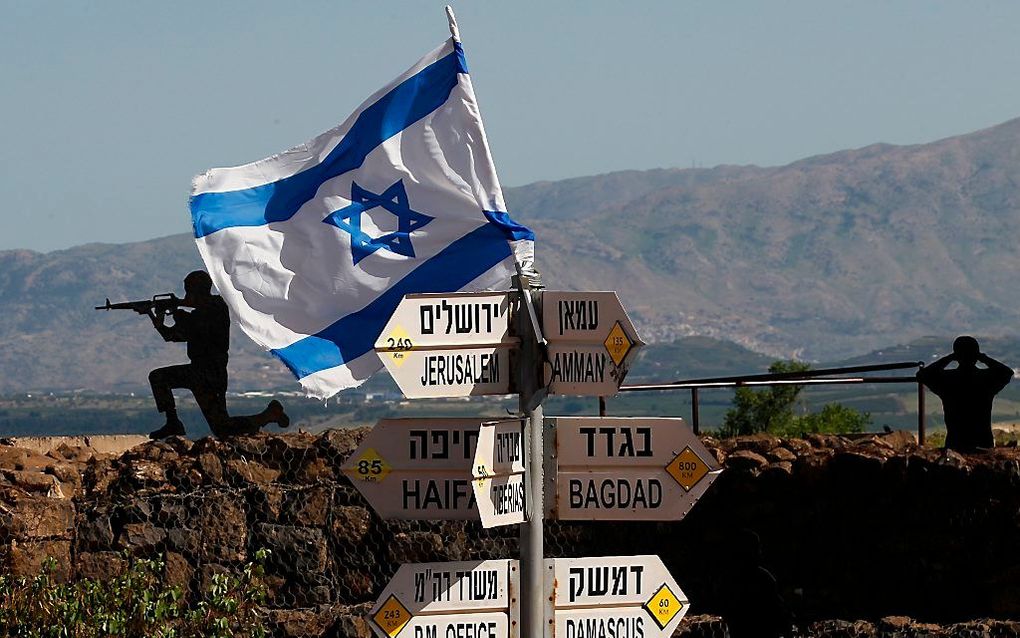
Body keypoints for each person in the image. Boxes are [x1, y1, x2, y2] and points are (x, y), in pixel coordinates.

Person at [146, 270, 289, 439]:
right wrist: (156, 320)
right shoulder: (203, 311)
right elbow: (174, 336)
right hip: (200, 372)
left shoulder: (215, 307)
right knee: (222, 427)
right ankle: (172, 422)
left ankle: (173, 422)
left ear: (196, 292)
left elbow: (195, 325)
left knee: (159, 377)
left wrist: (176, 311)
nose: (187, 296)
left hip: (210, 374)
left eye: (189, 292)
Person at [917, 335, 1012, 452]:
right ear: (976, 355)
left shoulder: (948, 380)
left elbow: (923, 375)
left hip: (955, 443)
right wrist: (982, 357)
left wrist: (950, 357)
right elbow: (1007, 372)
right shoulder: (986, 379)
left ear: (957, 355)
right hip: (983, 442)